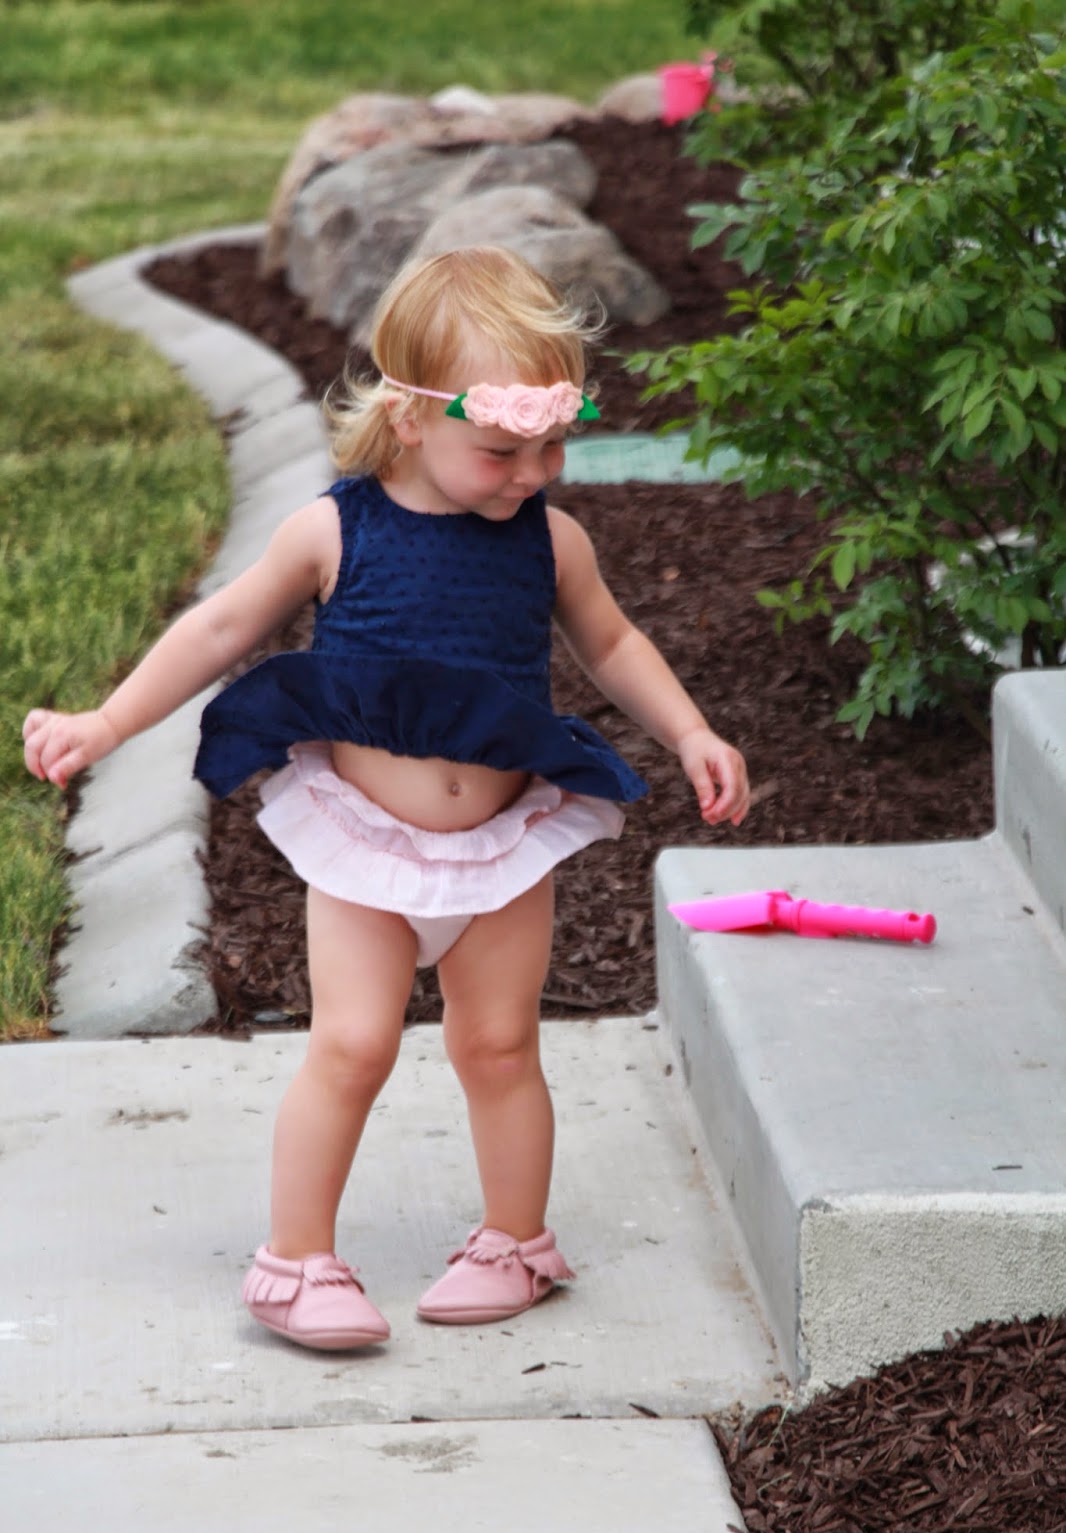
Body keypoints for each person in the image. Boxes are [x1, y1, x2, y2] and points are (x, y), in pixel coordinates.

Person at [23, 246, 749, 1352]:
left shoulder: (551, 542)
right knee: (352, 1045)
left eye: (552, 445)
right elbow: (223, 627)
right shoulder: (335, 531)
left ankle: (515, 1242)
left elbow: (610, 644)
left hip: (502, 846)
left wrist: (690, 729)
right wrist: (107, 723)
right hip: (364, 849)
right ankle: (295, 1260)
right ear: (409, 418)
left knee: (499, 1046)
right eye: (502, 449)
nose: (533, 472)